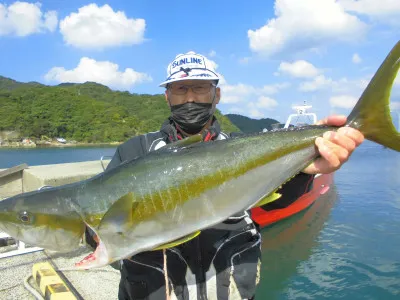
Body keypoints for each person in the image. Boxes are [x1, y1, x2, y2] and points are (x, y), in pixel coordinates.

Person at [87, 51, 364, 300]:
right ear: (167, 96)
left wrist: (304, 170)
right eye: (181, 89)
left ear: (216, 95)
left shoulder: (242, 148)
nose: (191, 98)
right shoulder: (134, 152)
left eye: (200, 88)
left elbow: (273, 202)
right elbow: (97, 220)